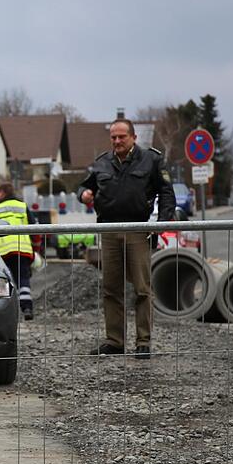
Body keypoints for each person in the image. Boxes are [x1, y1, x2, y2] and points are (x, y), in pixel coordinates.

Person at [77, 118, 175, 359]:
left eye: (122, 137)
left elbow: (166, 192)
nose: (117, 141)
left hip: (137, 231)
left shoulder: (151, 160)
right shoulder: (102, 163)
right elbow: (82, 188)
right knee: (111, 289)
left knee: (142, 289)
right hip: (109, 231)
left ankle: (143, 342)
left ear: (133, 137)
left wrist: (161, 224)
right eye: (113, 137)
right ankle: (115, 341)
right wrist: (84, 195)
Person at [0, 183, 36, 320]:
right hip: (22, 250)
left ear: (2, 192)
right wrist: (36, 249)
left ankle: (4, 314)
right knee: (23, 280)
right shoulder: (22, 206)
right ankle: (26, 308)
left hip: (1, 253)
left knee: (3, 282)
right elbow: (35, 230)